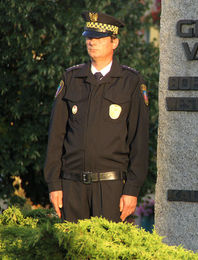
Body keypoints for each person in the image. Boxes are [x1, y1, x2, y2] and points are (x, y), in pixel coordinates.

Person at [44, 11, 149, 223]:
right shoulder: (72, 78)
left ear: (114, 42)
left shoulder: (130, 81)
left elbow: (139, 140)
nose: (92, 42)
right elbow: (56, 135)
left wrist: (132, 189)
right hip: (71, 188)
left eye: (99, 38)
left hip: (112, 189)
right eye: (89, 37)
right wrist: (54, 184)